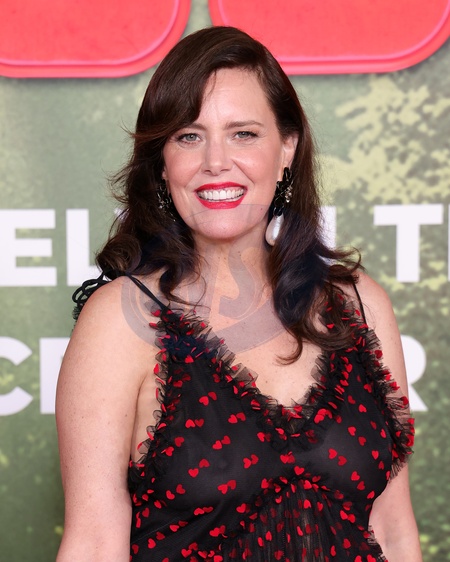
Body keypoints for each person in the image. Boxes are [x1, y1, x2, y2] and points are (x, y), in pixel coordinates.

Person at [55, 26, 422, 562]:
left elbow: (393, 528)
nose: (216, 161)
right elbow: (93, 544)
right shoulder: (119, 321)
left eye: (243, 133)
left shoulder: (360, 305)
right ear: (162, 163)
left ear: (287, 147)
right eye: (188, 136)